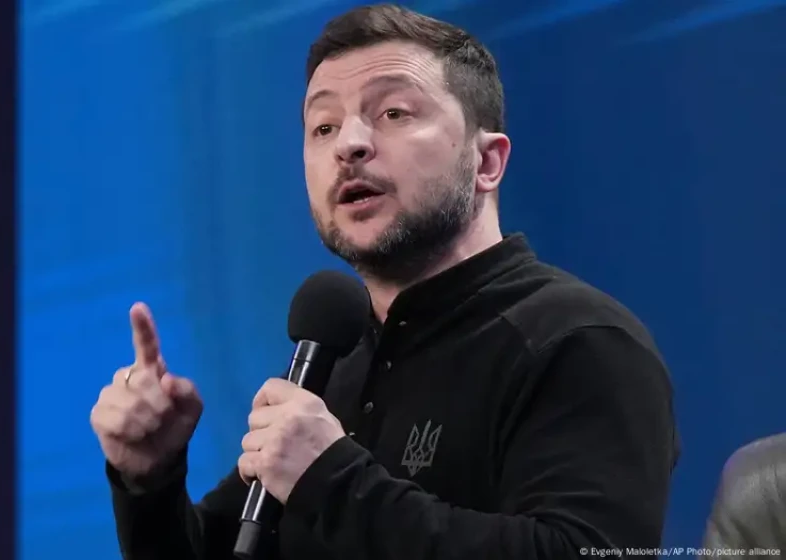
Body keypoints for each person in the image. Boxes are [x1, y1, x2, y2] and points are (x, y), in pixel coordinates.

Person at [88, 4, 679, 559]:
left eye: (393, 113)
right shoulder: (335, 368)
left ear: (487, 162)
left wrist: (332, 481)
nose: (349, 145)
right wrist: (149, 480)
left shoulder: (578, 341)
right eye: (323, 126)